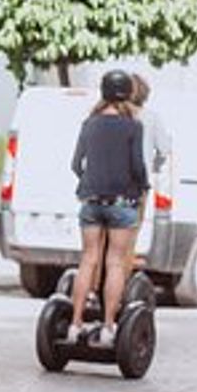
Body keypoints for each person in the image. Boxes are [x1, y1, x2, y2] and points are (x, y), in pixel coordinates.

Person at [67, 70, 148, 348]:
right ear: (128, 94)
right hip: (121, 203)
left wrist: (91, 183)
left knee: (88, 260)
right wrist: (141, 187)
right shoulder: (133, 127)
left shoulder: (89, 123)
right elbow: (138, 167)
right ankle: (108, 327)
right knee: (114, 262)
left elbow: (76, 164)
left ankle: (75, 325)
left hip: (91, 202)